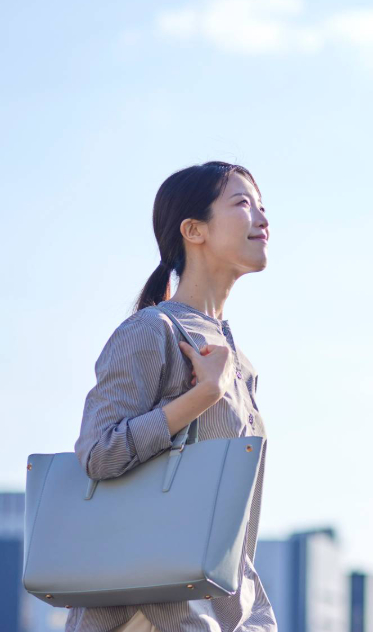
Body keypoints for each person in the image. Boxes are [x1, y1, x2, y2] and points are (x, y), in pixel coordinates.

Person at [66, 161, 276, 632]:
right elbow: (98, 453)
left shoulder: (241, 364)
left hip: (224, 614)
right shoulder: (152, 330)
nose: (263, 218)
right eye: (243, 204)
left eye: (263, 206)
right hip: (149, 613)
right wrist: (203, 395)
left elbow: (236, 522)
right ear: (193, 230)